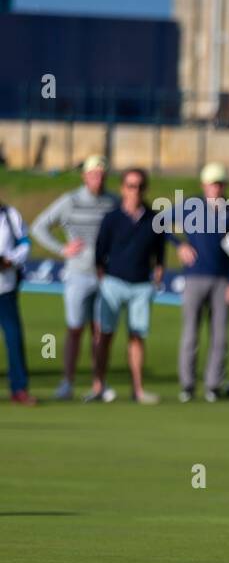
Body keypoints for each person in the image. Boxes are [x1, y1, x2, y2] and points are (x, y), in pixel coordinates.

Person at [30, 154, 118, 400]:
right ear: (84, 176)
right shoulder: (70, 201)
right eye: (92, 174)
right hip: (78, 274)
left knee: (100, 330)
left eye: (101, 174)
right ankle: (67, 382)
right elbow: (39, 226)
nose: (97, 179)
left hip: (106, 275)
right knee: (75, 328)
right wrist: (61, 249)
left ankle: (99, 384)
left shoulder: (113, 201)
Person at [87, 168, 166, 405]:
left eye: (140, 186)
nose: (135, 191)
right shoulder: (111, 218)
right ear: (123, 188)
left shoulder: (154, 218)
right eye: (131, 186)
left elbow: (159, 252)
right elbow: (99, 252)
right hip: (113, 282)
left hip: (141, 285)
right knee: (105, 335)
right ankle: (98, 385)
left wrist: (159, 270)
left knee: (137, 337)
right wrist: (102, 276)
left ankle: (138, 389)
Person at [176, 163, 229, 402]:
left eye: (220, 184)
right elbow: (160, 223)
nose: (216, 188)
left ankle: (213, 384)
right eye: (212, 183)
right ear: (204, 185)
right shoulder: (191, 206)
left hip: (222, 280)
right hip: (194, 277)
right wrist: (179, 245)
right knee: (191, 334)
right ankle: (187, 385)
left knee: (220, 335)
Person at [0, 194, 34, 404]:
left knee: (13, 338)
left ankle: (19, 388)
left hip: (5, 287)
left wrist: (10, 260)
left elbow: (25, 243)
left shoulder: (10, 215)